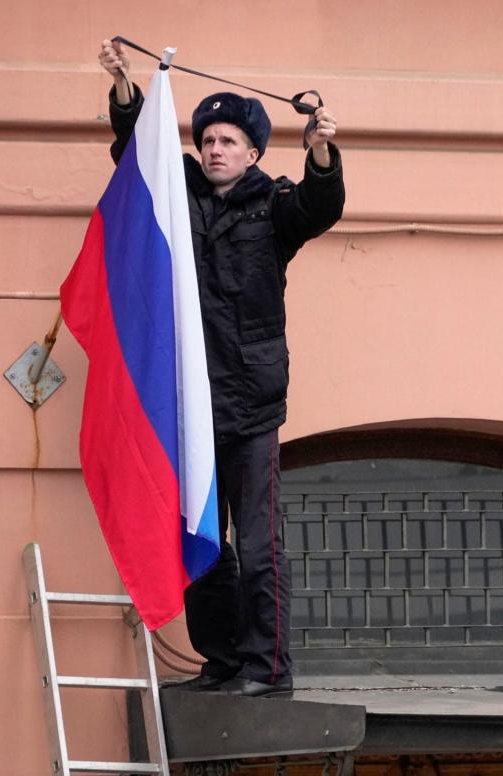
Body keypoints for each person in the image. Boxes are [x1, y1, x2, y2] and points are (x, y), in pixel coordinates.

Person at [99, 39, 344, 698]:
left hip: (252, 406)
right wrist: (126, 91)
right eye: (206, 139)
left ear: (254, 153)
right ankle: (222, 661)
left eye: (228, 141)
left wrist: (320, 150)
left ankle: (267, 670)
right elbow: (138, 156)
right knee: (202, 542)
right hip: (187, 403)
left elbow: (320, 208)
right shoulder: (178, 193)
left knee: (260, 547)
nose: (213, 149)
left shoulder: (275, 206)